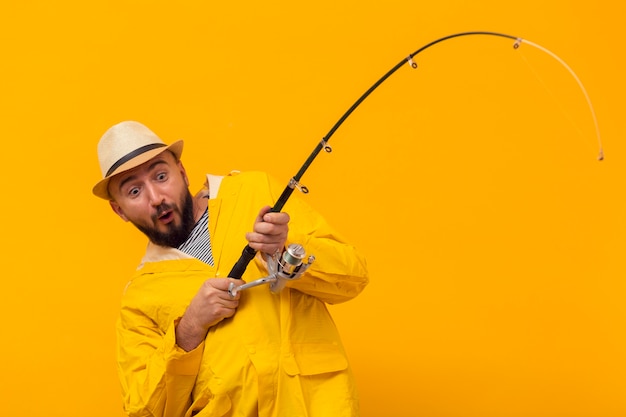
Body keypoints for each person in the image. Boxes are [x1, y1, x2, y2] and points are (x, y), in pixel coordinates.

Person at [92, 120, 369, 417]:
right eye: (134, 192)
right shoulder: (139, 299)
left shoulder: (253, 191)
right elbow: (146, 410)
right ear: (119, 209)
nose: (156, 198)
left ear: (182, 172)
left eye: (161, 176)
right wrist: (189, 329)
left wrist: (285, 250)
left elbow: (353, 277)